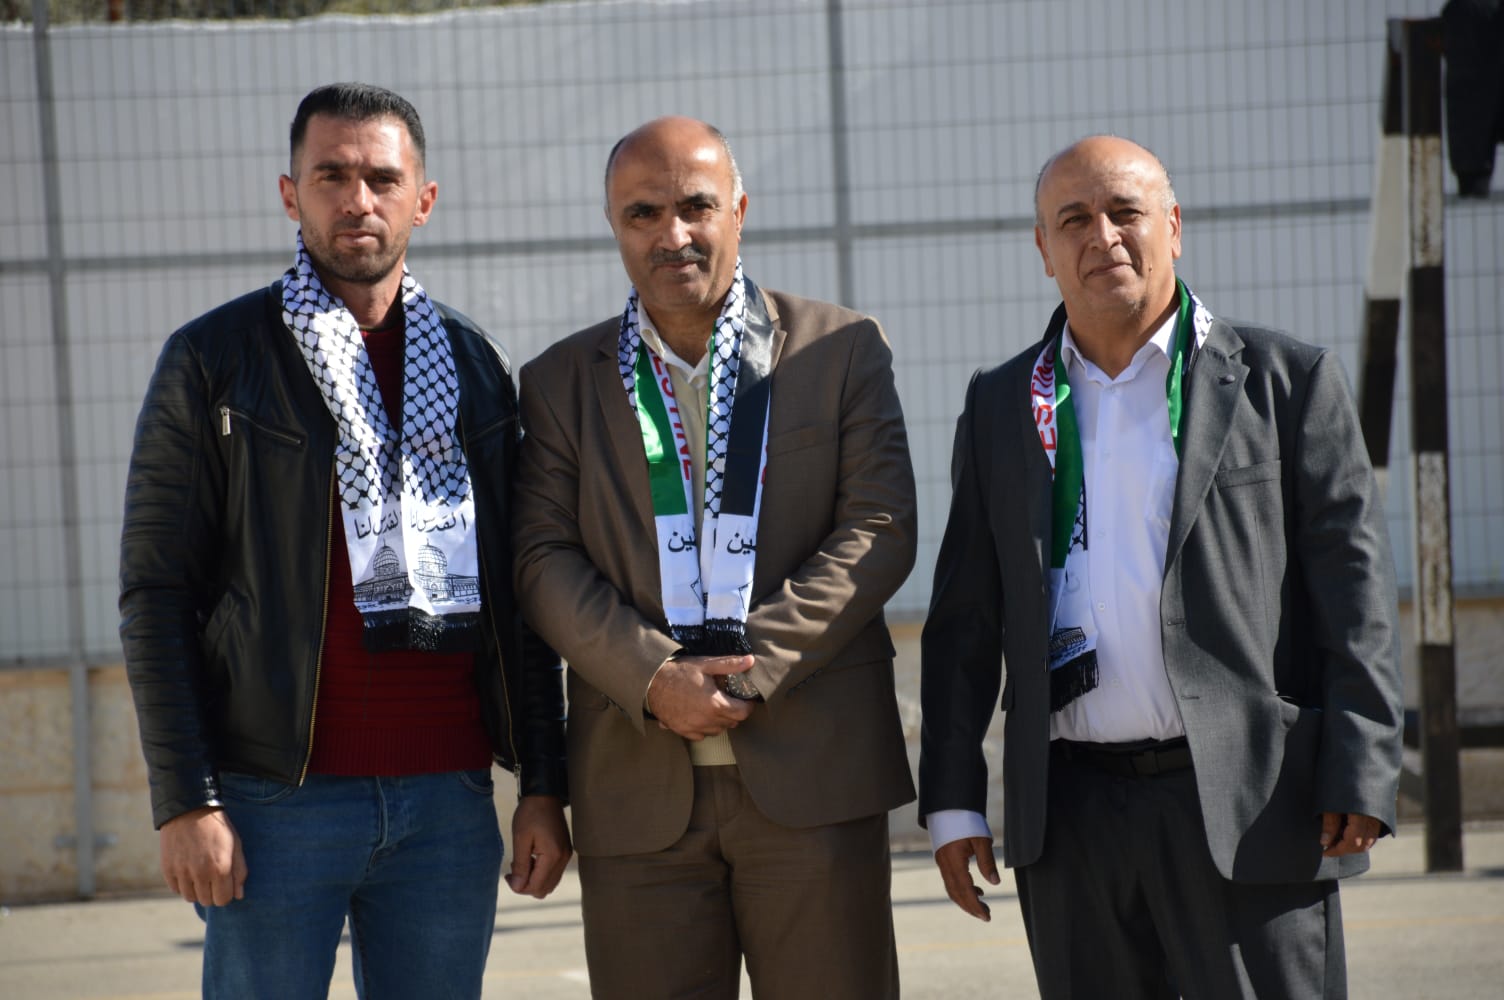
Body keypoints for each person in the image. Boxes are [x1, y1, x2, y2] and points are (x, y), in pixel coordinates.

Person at [919, 135, 1403, 999]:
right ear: (1043, 248)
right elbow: (965, 620)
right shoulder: (1000, 405)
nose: (1101, 236)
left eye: (1125, 212)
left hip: (1249, 803)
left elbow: (1354, 594)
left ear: (1172, 226)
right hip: (1070, 818)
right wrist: (954, 800)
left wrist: (1362, 761)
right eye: (1074, 219)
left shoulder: (1286, 383)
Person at [118, 82, 570, 999]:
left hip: (447, 802)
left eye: (382, 179)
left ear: (423, 200)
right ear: (291, 195)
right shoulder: (214, 359)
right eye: (331, 176)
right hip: (273, 802)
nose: (357, 200)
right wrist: (186, 798)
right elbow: (156, 592)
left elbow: (519, 597)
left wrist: (542, 784)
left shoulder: (476, 366)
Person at [513, 116, 917, 999]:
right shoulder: (557, 382)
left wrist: (746, 669)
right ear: (614, 225)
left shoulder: (842, 348)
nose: (673, 234)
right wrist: (655, 676)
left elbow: (879, 527)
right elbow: (542, 559)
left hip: (815, 778)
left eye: (695, 205)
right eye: (642, 213)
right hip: (635, 791)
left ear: (739, 208)